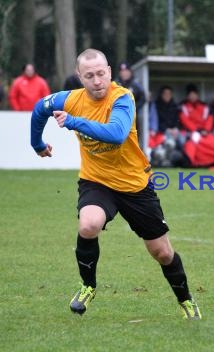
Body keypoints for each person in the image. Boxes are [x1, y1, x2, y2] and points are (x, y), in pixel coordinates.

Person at [29, 49, 201, 320]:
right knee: (88, 224)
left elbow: (117, 134)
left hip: (135, 185)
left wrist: (73, 122)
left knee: (162, 252)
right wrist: (37, 143)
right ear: (80, 77)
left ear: (109, 72)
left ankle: (186, 300)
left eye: (101, 74)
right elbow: (41, 108)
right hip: (96, 181)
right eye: (89, 76)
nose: (97, 81)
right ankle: (87, 286)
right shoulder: (70, 99)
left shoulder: (123, 97)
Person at [116, 62, 146, 147]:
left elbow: (143, 98)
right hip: (118, 118)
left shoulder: (136, 85)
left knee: (133, 142)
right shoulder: (115, 85)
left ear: (130, 72)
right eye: (122, 71)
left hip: (133, 119)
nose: (124, 73)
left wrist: (134, 108)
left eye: (126, 71)